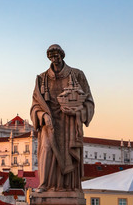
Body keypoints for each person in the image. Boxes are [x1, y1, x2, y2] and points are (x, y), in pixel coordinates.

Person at [30, 44, 94, 192]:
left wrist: (78, 111)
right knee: (47, 149)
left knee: (68, 153)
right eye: (51, 57)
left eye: (57, 56)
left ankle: (69, 187)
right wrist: (43, 115)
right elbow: (35, 105)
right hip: (49, 122)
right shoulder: (41, 78)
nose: (54, 60)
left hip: (70, 123)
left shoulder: (77, 75)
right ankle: (45, 185)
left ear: (62, 56)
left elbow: (89, 101)